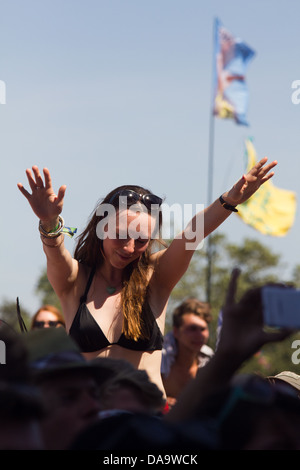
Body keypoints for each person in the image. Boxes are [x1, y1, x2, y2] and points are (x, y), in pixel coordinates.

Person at [17, 158, 277, 395]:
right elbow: (56, 253)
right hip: (93, 423)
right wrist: (49, 223)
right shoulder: (75, 280)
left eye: (141, 240)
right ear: (101, 228)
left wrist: (228, 201)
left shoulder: (157, 276)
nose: (129, 248)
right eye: (120, 235)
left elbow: (192, 234)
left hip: (149, 423)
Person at [161, 298, 214, 408]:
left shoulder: (209, 360)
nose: (199, 335)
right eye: (192, 329)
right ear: (176, 332)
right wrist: (163, 402)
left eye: (203, 329)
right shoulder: (161, 359)